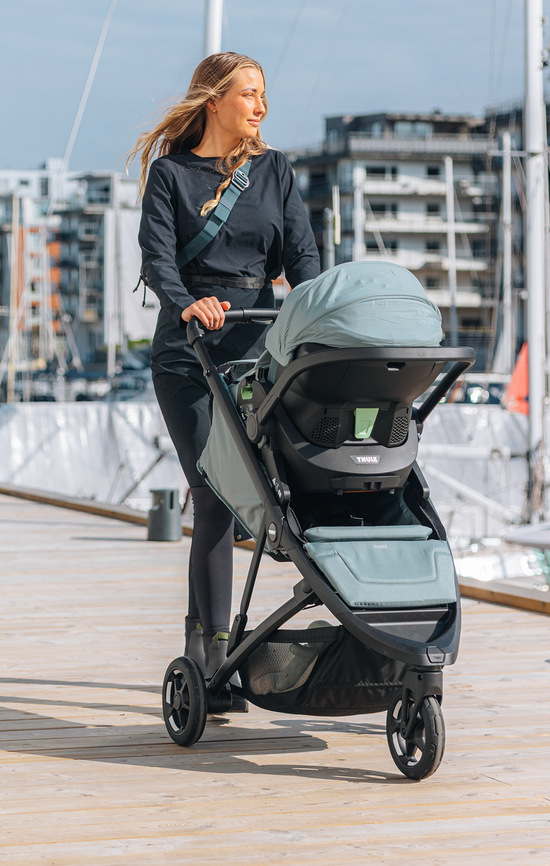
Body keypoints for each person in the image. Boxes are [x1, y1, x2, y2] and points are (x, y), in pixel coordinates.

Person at [132, 52, 320, 679]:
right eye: (248, 93)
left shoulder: (275, 172)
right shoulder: (171, 175)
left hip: (257, 354)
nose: (261, 105)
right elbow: (158, 259)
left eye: (264, 93)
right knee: (212, 495)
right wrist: (189, 304)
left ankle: (205, 648)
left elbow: (305, 260)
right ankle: (213, 655)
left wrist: (318, 318)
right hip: (188, 357)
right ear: (214, 101)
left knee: (262, 497)